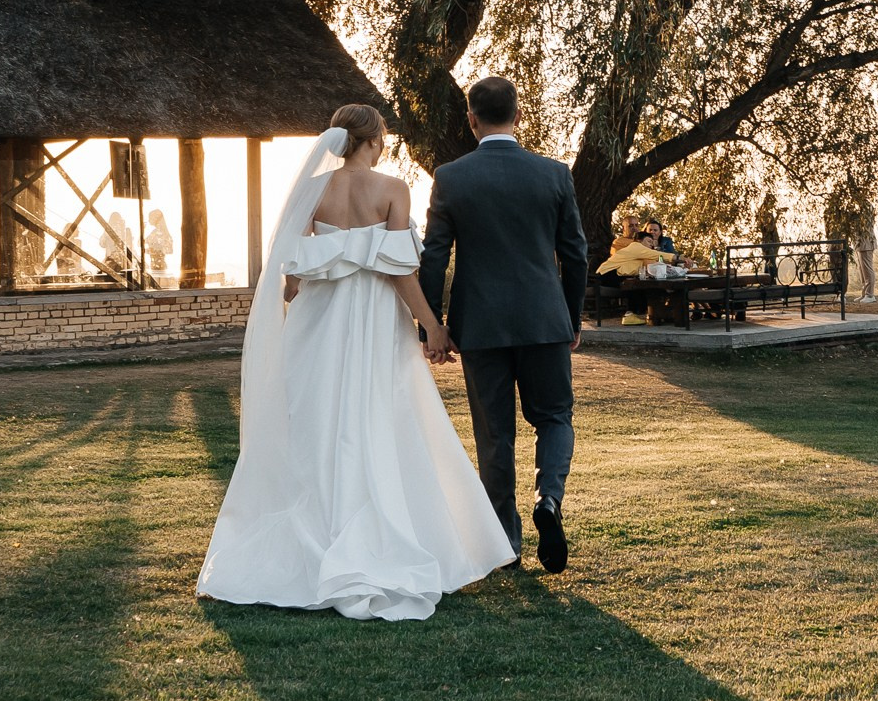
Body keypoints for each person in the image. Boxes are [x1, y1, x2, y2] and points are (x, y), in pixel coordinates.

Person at [198, 105, 513, 620]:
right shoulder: (393, 189)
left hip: (319, 322)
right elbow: (399, 272)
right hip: (374, 320)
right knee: (383, 416)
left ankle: (314, 532)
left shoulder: (311, 190)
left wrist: (308, 287)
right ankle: (383, 525)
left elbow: (291, 277)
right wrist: (432, 326)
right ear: (374, 140)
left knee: (316, 421)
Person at [418, 75, 589, 574]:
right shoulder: (554, 174)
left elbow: (434, 256)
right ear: (519, 115)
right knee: (553, 417)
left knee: (494, 435)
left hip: (481, 325)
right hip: (545, 320)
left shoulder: (451, 177)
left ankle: (505, 546)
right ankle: (548, 498)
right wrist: (571, 317)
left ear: (471, 119)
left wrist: (432, 325)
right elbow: (576, 255)